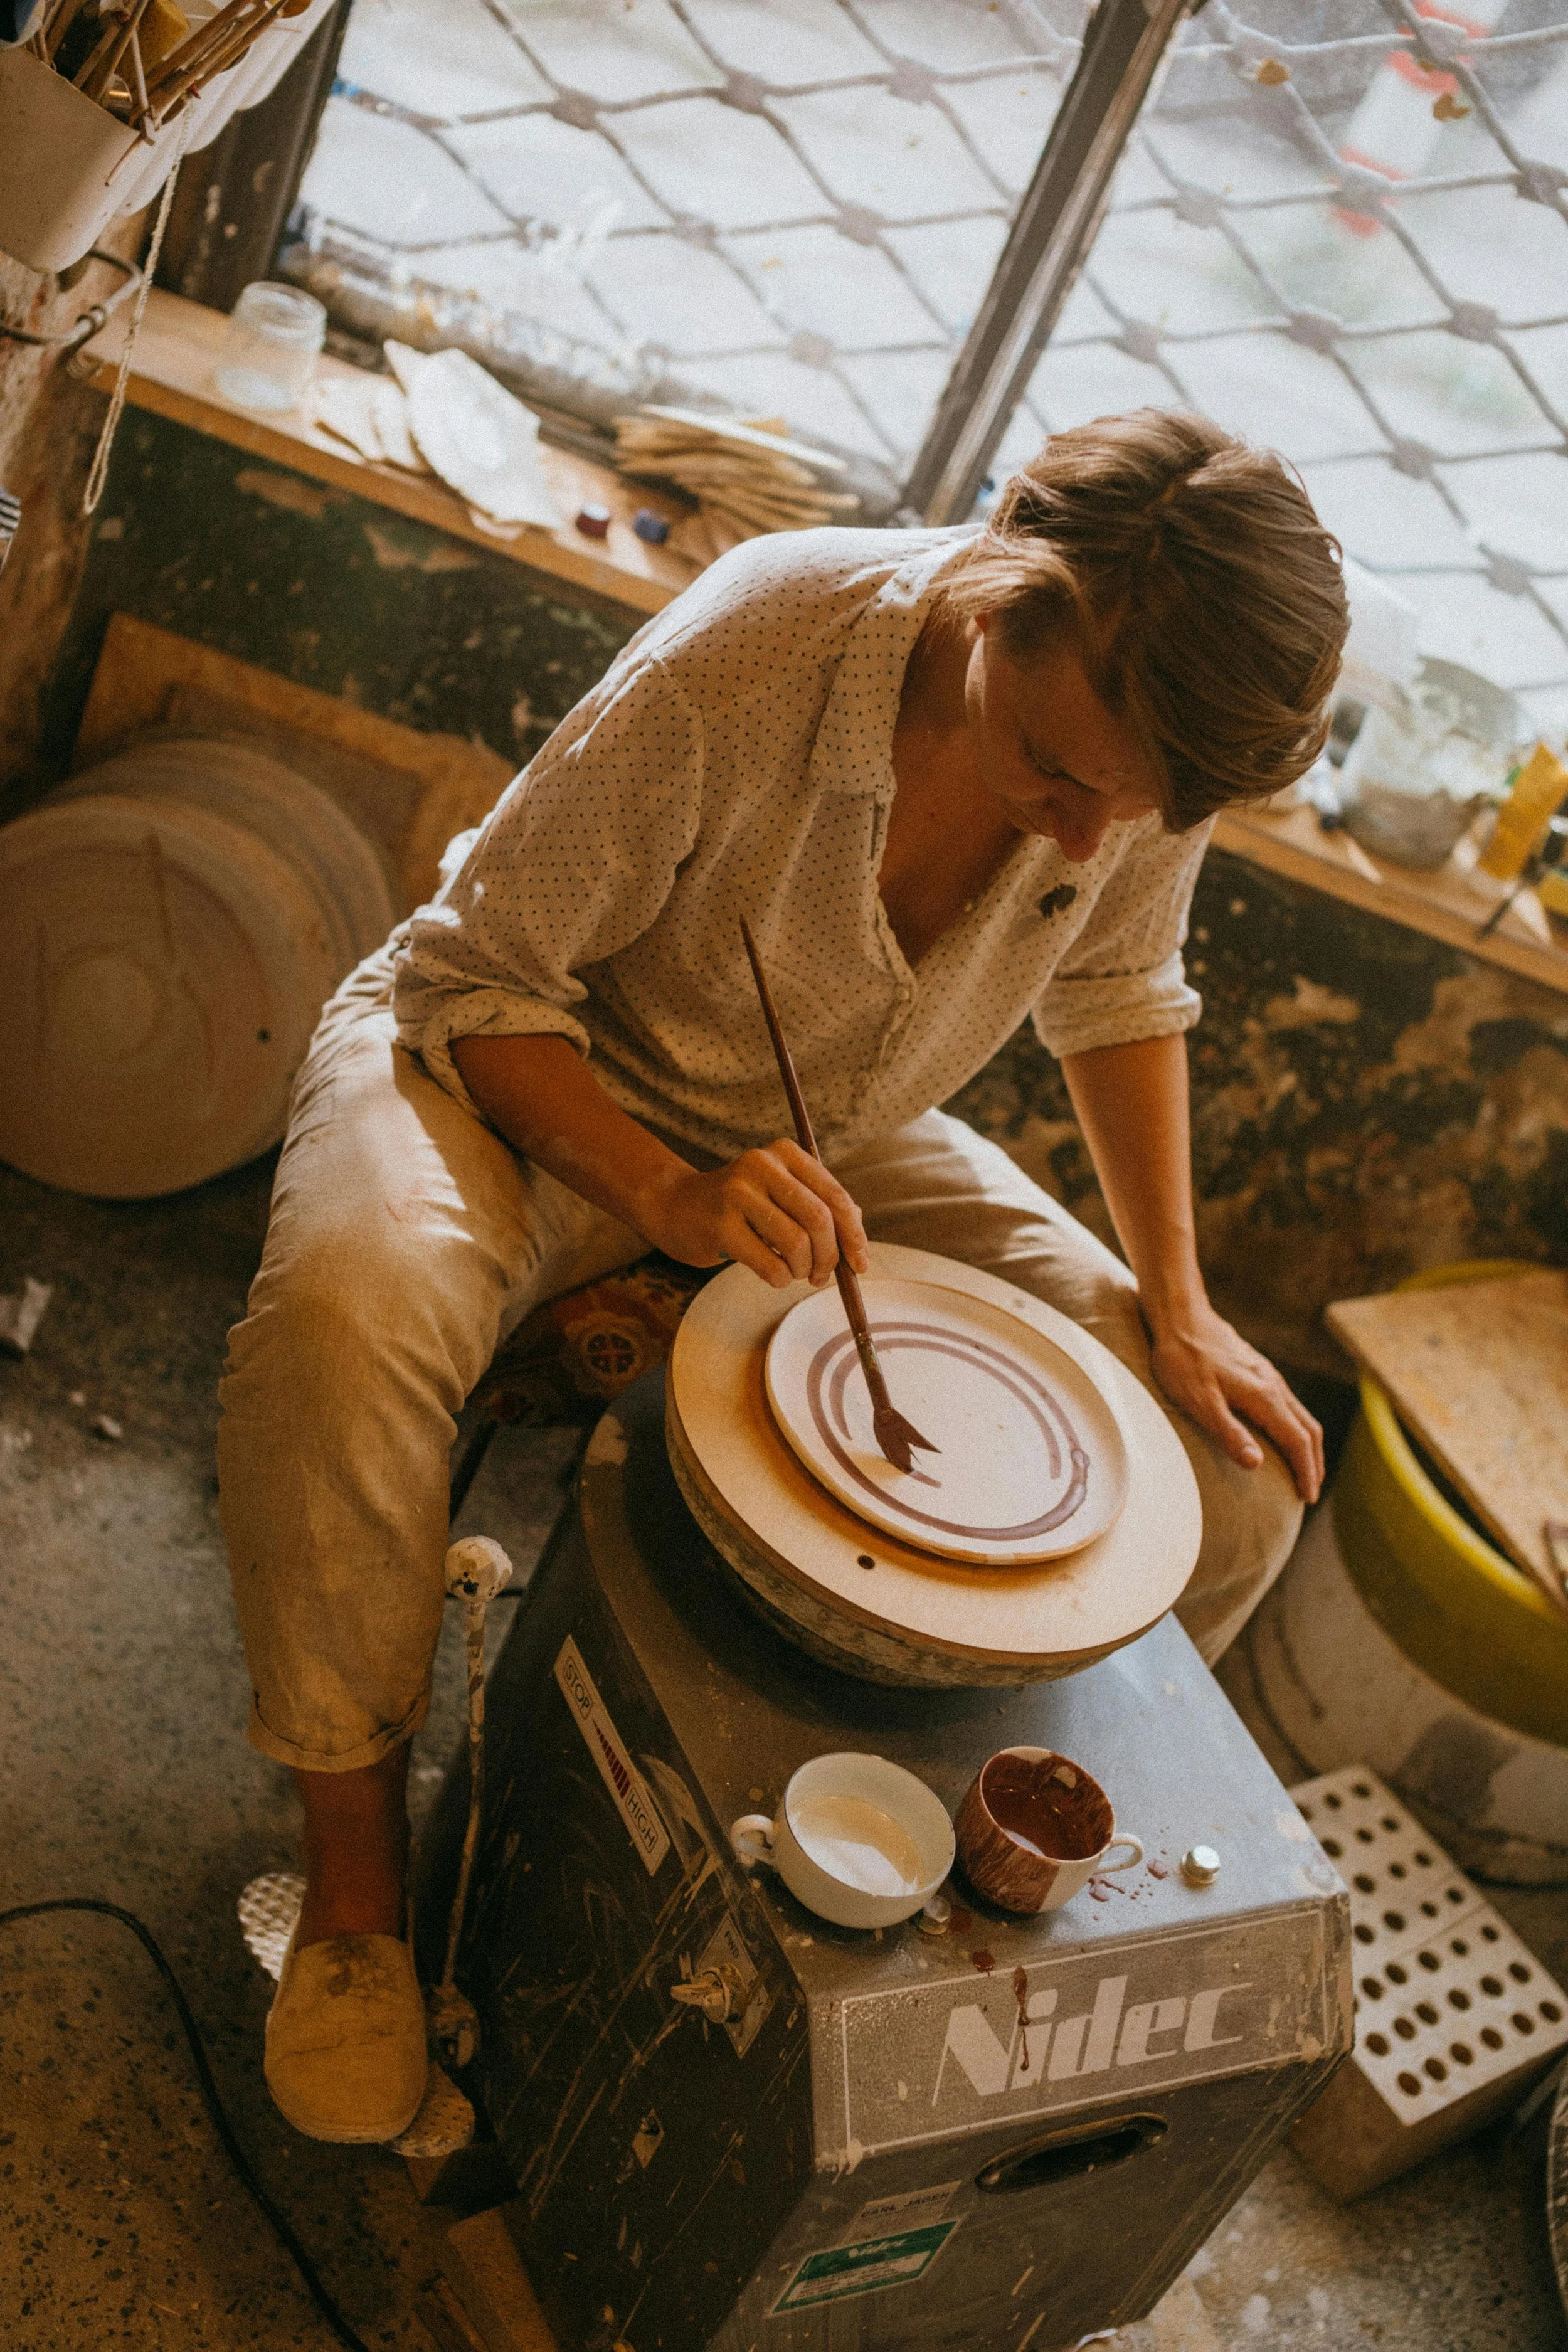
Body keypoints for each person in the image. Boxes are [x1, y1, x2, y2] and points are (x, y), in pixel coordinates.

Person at [218, 408, 1348, 2143]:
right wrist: (668, 1191)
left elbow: (1119, 992)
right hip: (530, 1060)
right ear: (1000, 587)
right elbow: (474, 974)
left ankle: (949, 1830)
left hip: (825, 1137)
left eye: (1121, 810)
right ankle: (358, 1892)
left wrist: (1179, 1302)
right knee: (350, 1317)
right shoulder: (761, 648)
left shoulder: (1136, 734)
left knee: (1226, 1477)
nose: (1076, 834)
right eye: (1056, 776)